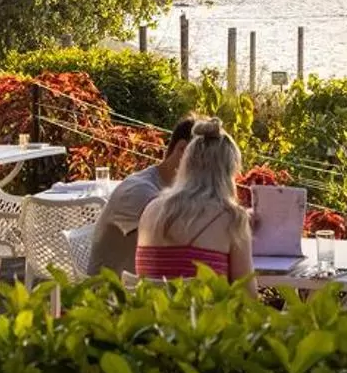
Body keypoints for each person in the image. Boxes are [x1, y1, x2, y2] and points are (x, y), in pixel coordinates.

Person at [135, 118, 253, 283]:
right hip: (202, 309)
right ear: (228, 173)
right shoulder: (232, 219)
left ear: (186, 164)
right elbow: (247, 297)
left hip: (152, 308)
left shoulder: (150, 210)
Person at [87, 116, 196, 275]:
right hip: (110, 294)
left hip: (142, 288)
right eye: (207, 159)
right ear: (182, 150)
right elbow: (179, 246)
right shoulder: (139, 191)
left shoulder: (178, 191)